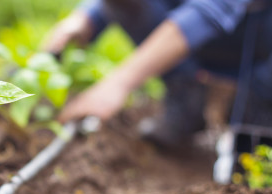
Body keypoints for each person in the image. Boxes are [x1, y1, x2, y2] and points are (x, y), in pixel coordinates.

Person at [46, 0, 272, 149]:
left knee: (253, 149)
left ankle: (258, 112)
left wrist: (118, 84)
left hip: (259, 49)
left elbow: (208, 12)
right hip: (204, 45)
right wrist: (85, 18)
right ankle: (187, 100)